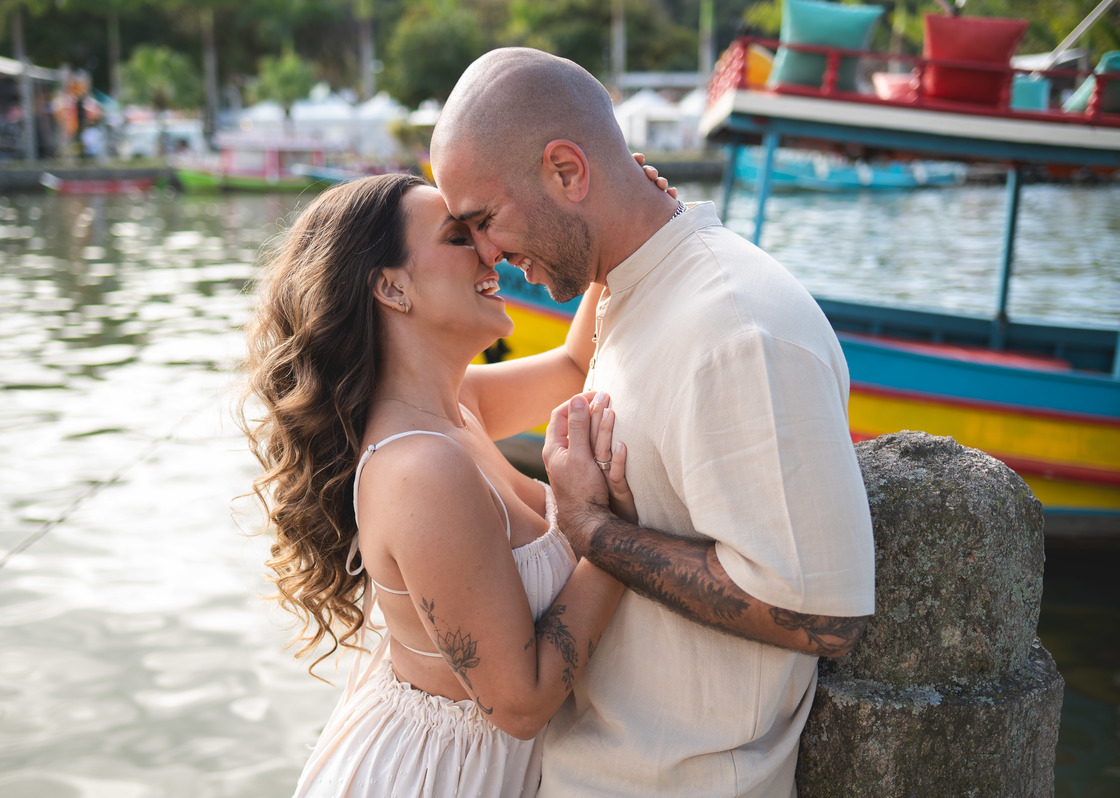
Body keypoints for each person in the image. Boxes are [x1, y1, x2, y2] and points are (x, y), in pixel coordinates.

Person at [431, 48, 877, 797]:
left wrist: (596, 532)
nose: (485, 255)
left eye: (484, 220)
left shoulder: (737, 333)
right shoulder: (631, 289)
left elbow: (824, 616)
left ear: (568, 171)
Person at [241, 172, 649, 797]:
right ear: (392, 287)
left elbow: (575, 366)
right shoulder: (421, 470)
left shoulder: (456, 407)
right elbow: (521, 703)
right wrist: (608, 536)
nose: (492, 252)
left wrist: (610, 217)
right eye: (460, 238)